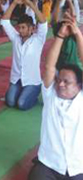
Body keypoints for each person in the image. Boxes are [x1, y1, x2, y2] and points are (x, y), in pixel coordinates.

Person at [28, 17, 83, 180]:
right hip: (49, 164)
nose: (60, 84)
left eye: (67, 82)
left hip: (77, 167)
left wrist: (78, 35)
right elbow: (49, 66)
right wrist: (59, 36)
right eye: (59, 80)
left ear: (79, 85)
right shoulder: (50, 95)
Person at [1, 0, 47, 110]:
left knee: (21, 104)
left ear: (31, 28)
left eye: (23, 28)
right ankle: (19, 92)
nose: (20, 30)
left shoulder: (38, 39)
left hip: (32, 81)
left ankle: (34, 94)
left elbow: (43, 22)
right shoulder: (15, 38)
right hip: (17, 79)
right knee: (10, 102)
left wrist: (31, 4)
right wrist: (14, 3)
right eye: (19, 27)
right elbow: (5, 21)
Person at [52, 0, 81, 69]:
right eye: (66, 12)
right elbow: (55, 18)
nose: (67, 14)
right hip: (60, 66)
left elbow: (74, 14)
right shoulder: (59, 28)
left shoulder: (74, 31)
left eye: (69, 12)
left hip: (73, 67)